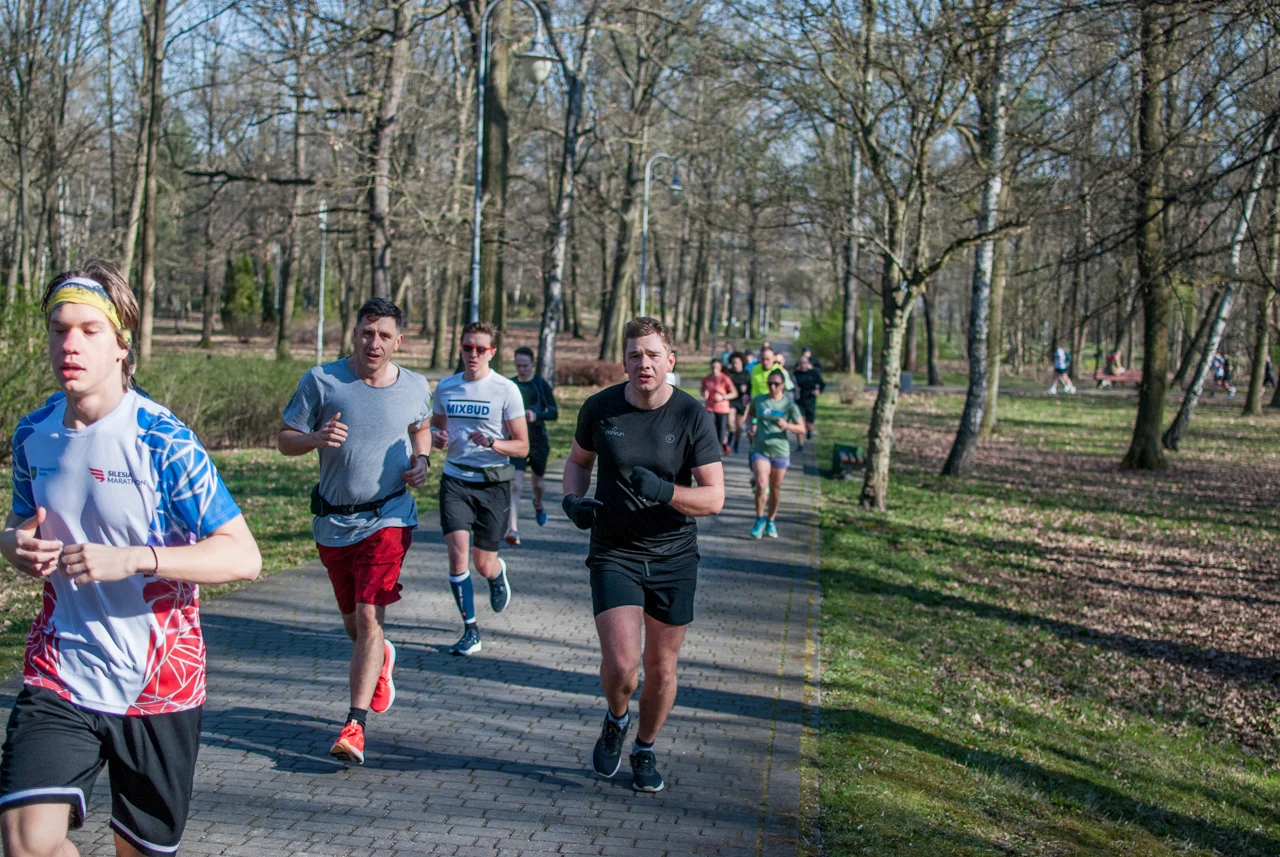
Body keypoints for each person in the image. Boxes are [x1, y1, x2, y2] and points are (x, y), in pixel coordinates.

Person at [0, 262, 262, 856]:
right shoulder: (32, 433)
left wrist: (135, 559)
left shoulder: (162, 440)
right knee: (25, 843)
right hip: (60, 670)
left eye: (90, 330)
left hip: (158, 686)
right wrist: (10, 542)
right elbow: (22, 522)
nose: (69, 344)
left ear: (122, 344)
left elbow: (242, 556)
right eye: (58, 329)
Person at [561, 317, 724, 793]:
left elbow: (714, 498)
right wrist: (573, 501)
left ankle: (645, 746)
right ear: (625, 361)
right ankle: (616, 718)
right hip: (614, 550)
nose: (644, 363)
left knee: (661, 668)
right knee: (622, 666)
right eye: (635, 355)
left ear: (670, 361)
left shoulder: (692, 415)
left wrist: (665, 491)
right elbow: (577, 462)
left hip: (674, 555)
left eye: (653, 355)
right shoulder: (601, 409)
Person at [279, 297, 432, 766]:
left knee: (368, 615)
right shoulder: (322, 380)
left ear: (398, 341)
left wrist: (422, 462)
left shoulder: (415, 385)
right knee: (355, 625)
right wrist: (315, 439)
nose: (374, 342)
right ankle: (381, 656)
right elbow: (285, 439)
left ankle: (354, 725)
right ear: (355, 334)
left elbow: (420, 428)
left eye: (385, 335)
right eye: (367, 332)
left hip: (388, 516)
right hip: (333, 521)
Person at [431, 321, 529, 656]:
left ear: (492, 352)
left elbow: (523, 447)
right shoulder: (446, 388)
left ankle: (496, 572)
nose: (473, 354)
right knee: (457, 555)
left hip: (492, 484)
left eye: (480, 349)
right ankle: (470, 630)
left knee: (482, 563)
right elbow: (436, 430)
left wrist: (493, 442)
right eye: (467, 348)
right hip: (456, 480)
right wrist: (436, 438)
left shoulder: (505, 390)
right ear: (460, 348)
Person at [507, 346, 558, 546]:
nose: (521, 369)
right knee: (515, 484)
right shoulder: (509, 385)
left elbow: (554, 412)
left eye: (525, 365)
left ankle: (538, 503)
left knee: (538, 483)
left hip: (537, 442)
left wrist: (537, 416)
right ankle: (513, 529)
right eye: (518, 365)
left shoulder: (540, 384)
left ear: (533, 365)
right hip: (516, 442)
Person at [746, 369, 805, 539]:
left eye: (776, 384)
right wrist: (750, 427)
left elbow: (801, 428)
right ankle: (759, 519)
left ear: (783, 386)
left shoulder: (789, 405)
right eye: (770, 383)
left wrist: (788, 426)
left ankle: (771, 520)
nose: (772, 387)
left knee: (776, 488)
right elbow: (750, 416)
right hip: (760, 449)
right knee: (761, 484)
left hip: (780, 451)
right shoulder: (759, 401)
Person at [700, 357, 737, 456]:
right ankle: (714, 452)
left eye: (717, 368)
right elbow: (703, 390)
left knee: (721, 433)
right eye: (713, 368)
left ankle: (723, 443)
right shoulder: (706, 378)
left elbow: (734, 393)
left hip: (722, 408)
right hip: (710, 407)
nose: (715, 370)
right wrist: (704, 393)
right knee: (710, 429)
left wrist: (723, 397)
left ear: (720, 368)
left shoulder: (725, 378)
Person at [792, 354, 826, 445]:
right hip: (799, 399)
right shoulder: (795, 374)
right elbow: (791, 386)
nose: (803, 365)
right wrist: (795, 389)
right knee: (800, 421)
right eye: (801, 363)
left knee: (809, 422)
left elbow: (822, 384)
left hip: (810, 399)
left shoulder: (813, 373)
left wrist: (818, 391)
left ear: (808, 364)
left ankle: (809, 431)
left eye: (805, 363)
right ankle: (800, 444)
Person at [727, 352, 752, 454]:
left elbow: (751, 387)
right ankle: (729, 438)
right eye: (733, 362)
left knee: (739, 426)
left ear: (742, 363)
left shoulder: (746, 374)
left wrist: (746, 390)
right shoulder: (729, 373)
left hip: (742, 401)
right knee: (730, 422)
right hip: (732, 400)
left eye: (736, 362)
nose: (734, 364)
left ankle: (736, 443)